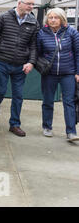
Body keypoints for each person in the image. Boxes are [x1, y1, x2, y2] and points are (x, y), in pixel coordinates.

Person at [0, 0, 40, 137]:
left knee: (18, 96)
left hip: (21, 65)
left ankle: (14, 124)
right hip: (2, 62)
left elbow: (34, 46)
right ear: (19, 3)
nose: (31, 6)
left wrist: (31, 62)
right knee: (0, 92)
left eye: (33, 4)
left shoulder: (34, 22)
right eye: (29, 3)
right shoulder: (3, 18)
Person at [37, 8, 79, 142]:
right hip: (49, 74)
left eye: (56, 17)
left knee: (69, 102)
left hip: (68, 73)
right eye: (50, 17)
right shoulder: (41, 34)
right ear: (47, 20)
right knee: (48, 101)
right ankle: (47, 126)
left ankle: (71, 132)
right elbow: (37, 53)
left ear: (62, 19)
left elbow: (78, 53)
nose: (53, 20)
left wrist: (78, 72)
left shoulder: (72, 32)